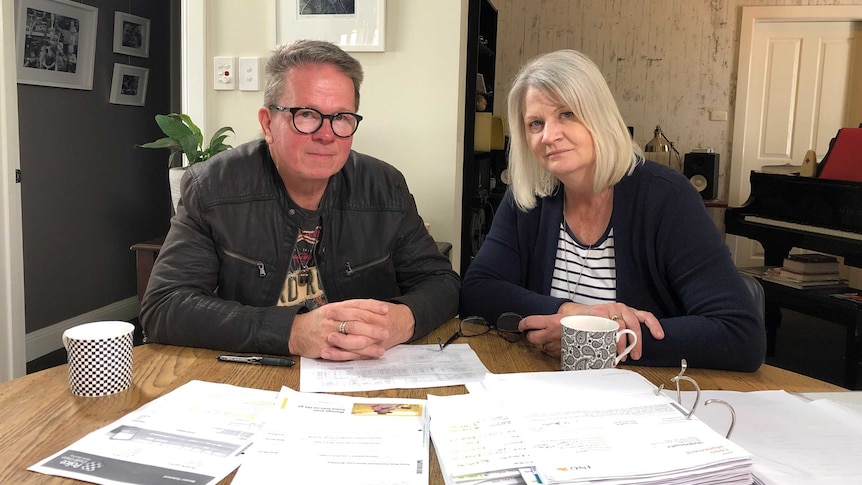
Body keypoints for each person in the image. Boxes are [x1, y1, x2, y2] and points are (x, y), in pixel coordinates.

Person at [141, 40, 459, 361]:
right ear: (268, 123)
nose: (326, 134)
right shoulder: (212, 186)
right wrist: (291, 332)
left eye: (342, 117)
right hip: (256, 375)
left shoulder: (385, 186)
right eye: (306, 114)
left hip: (362, 377)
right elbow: (165, 305)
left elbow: (443, 282)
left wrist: (403, 320)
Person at [460, 49, 765, 372]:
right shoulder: (528, 197)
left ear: (599, 115)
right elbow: (478, 291)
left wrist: (595, 338)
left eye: (566, 114)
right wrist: (573, 312)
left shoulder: (668, 198)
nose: (549, 135)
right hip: (544, 387)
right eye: (536, 123)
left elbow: (741, 335)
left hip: (647, 396)